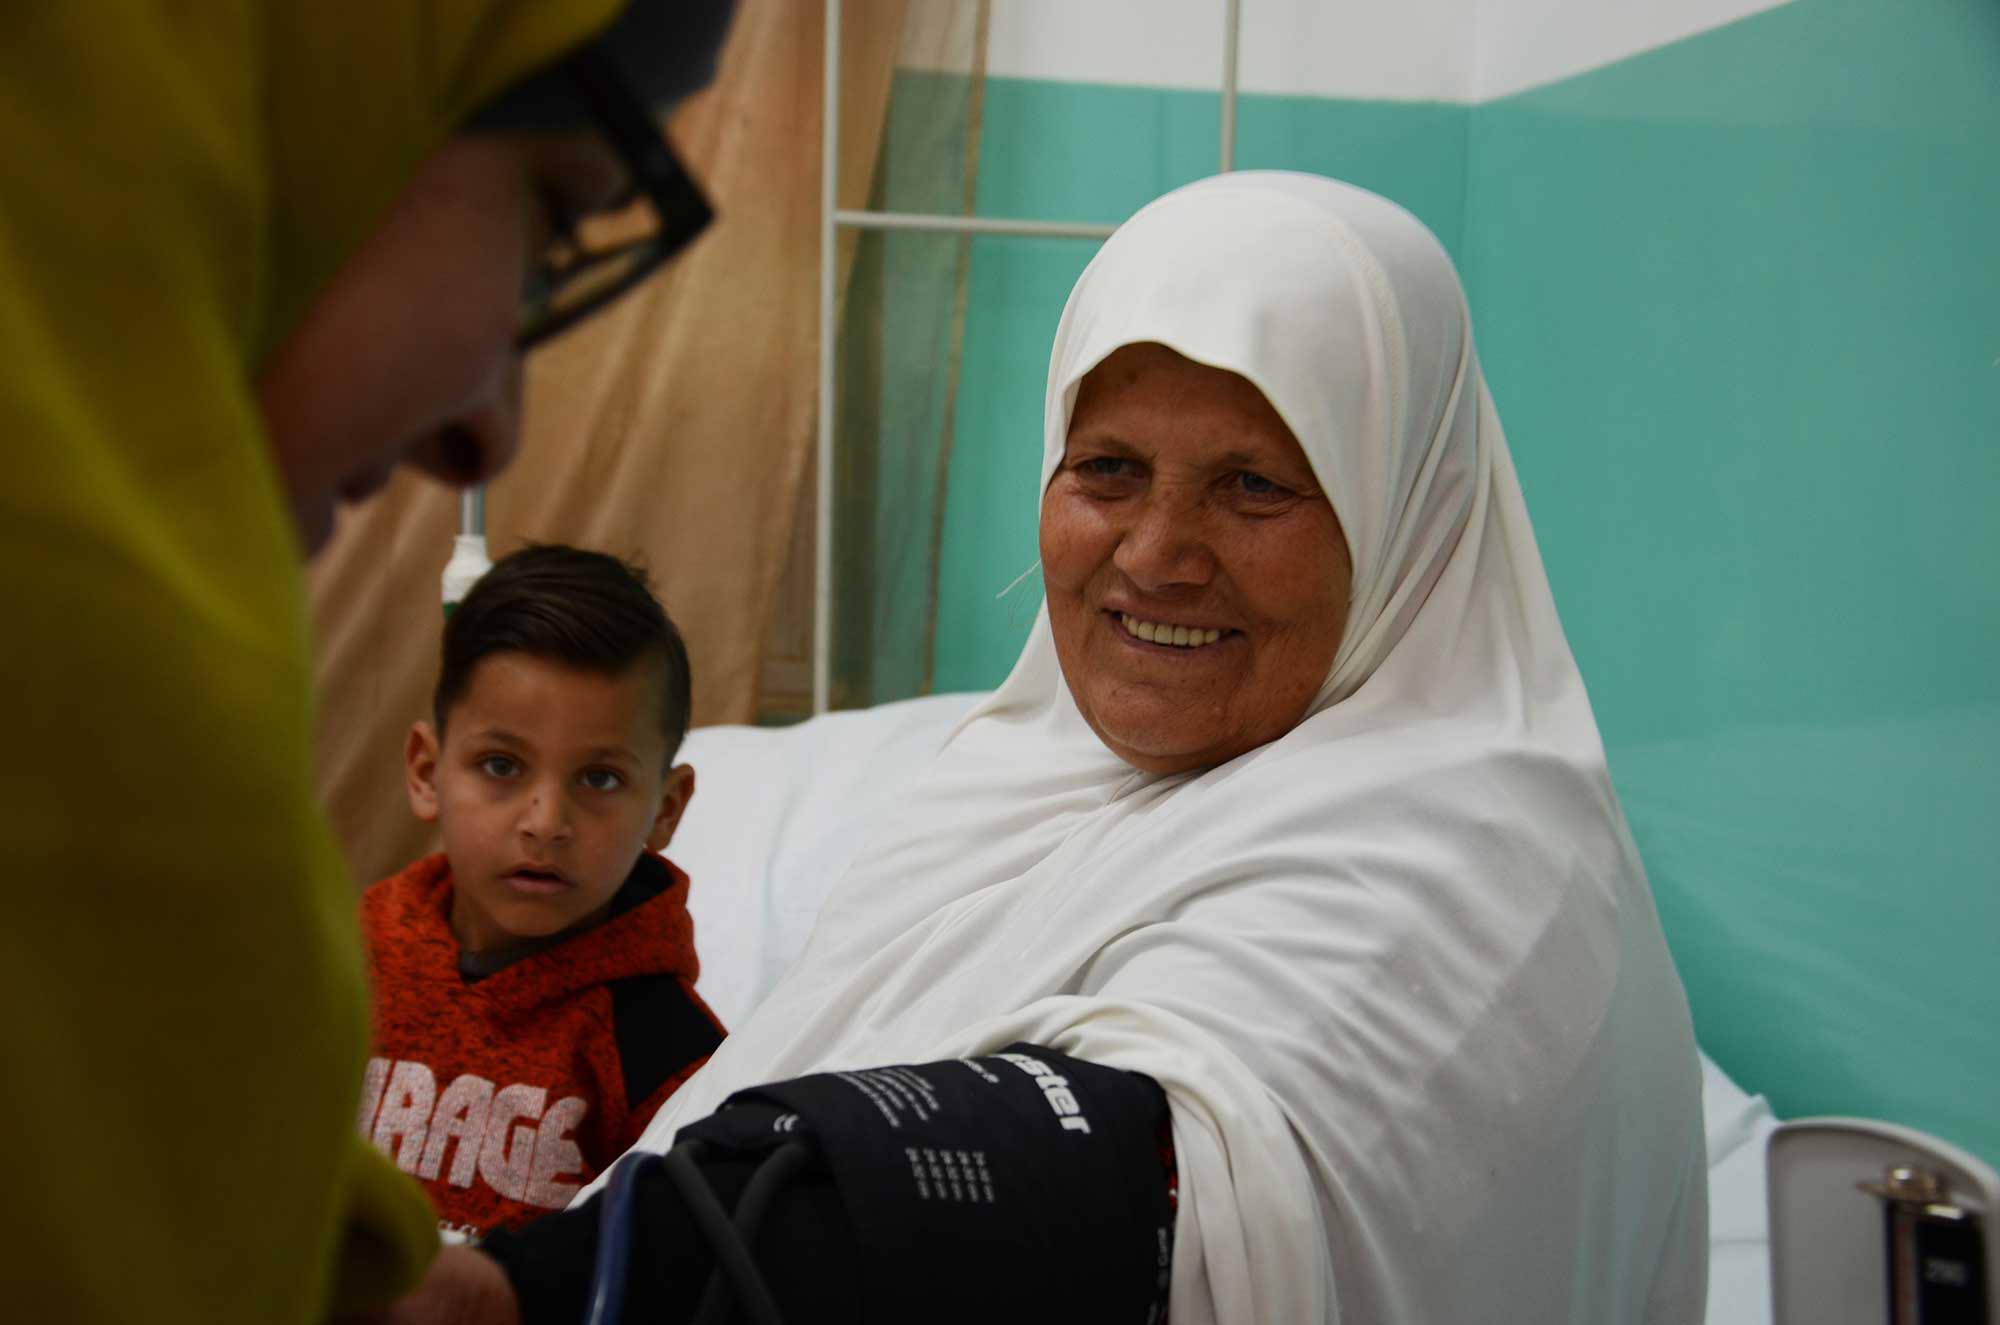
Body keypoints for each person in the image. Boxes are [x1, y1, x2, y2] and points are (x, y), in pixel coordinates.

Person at [392, 171, 1709, 1324]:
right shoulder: (1006, 794)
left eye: (1254, 483)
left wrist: (549, 1290)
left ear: (1404, 510)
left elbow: (1120, 1179)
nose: (1155, 556)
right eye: (1108, 470)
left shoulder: (1476, 844)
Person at [0, 2, 734, 1320]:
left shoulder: (657, 1042)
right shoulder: (95, 683)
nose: (487, 433)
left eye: (602, 781)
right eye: (548, 226)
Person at [359, 545, 722, 1240]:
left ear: (666, 809)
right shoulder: (346, 966)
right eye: (501, 765)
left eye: (600, 779)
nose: (546, 822)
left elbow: (682, 1263)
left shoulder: (666, 1048)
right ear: (427, 772)